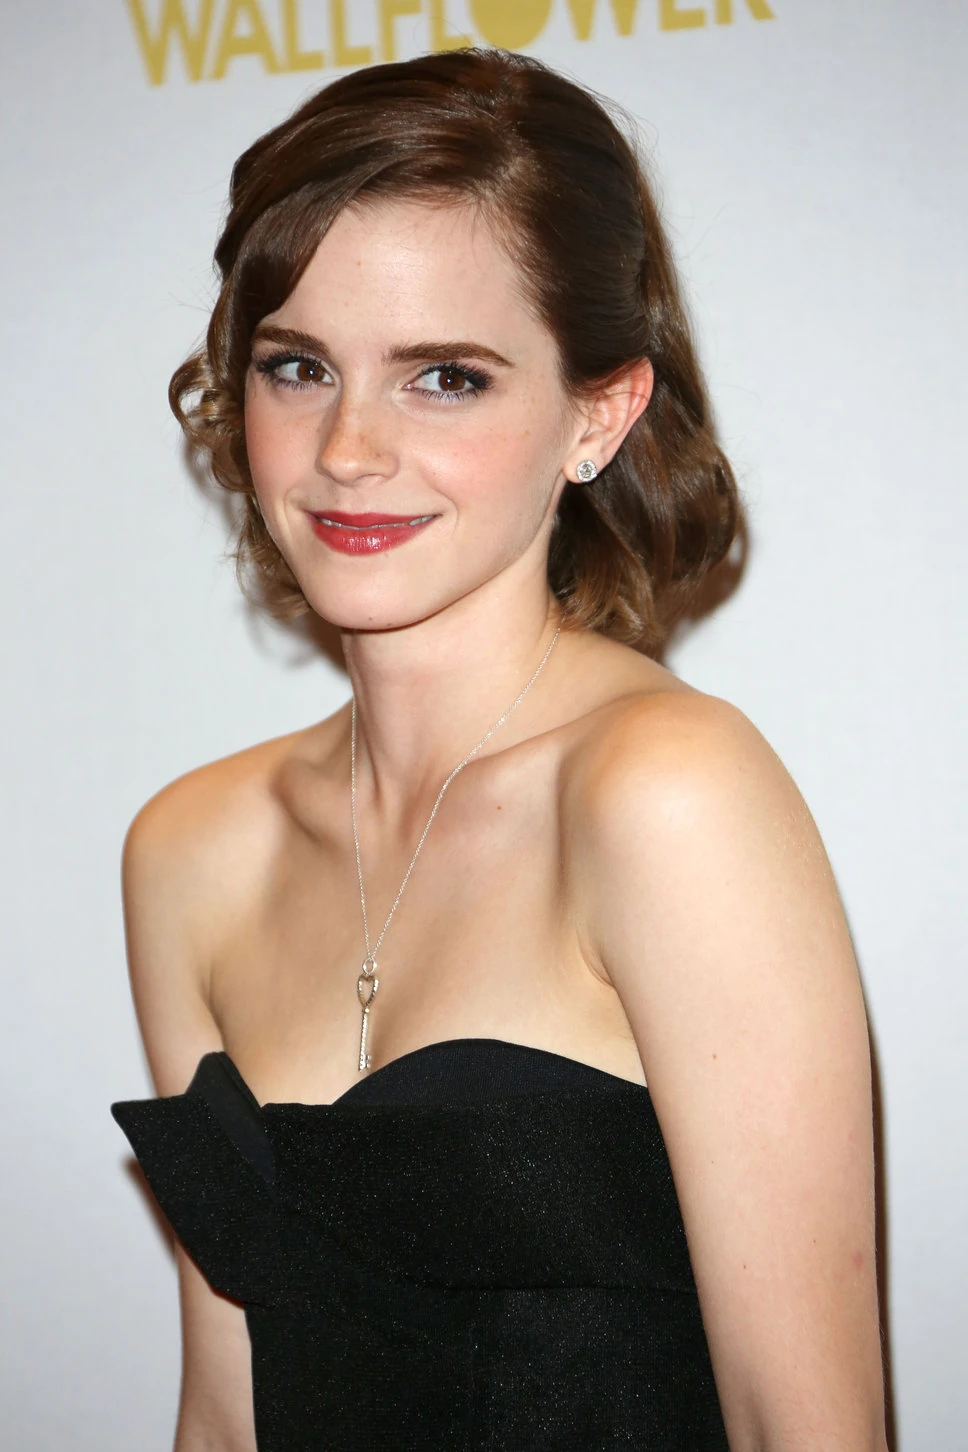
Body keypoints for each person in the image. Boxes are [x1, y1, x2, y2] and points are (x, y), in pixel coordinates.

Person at [111, 47, 888, 1452]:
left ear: (599, 413)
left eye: (445, 378)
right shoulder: (191, 848)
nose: (348, 448)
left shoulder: (665, 795)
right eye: (298, 366)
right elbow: (225, 1411)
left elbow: (807, 1426)